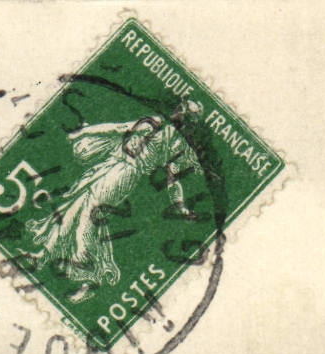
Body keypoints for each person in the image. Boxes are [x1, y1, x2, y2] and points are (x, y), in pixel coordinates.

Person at [21, 101, 202, 304]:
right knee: (73, 205)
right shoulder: (152, 121)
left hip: (125, 175)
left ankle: (89, 277)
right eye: (179, 108)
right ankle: (43, 256)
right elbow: (115, 128)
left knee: (88, 216)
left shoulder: (176, 144)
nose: (178, 113)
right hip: (111, 164)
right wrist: (82, 133)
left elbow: (173, 178)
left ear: (187, 120)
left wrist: (180, 205)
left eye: (183, 113)